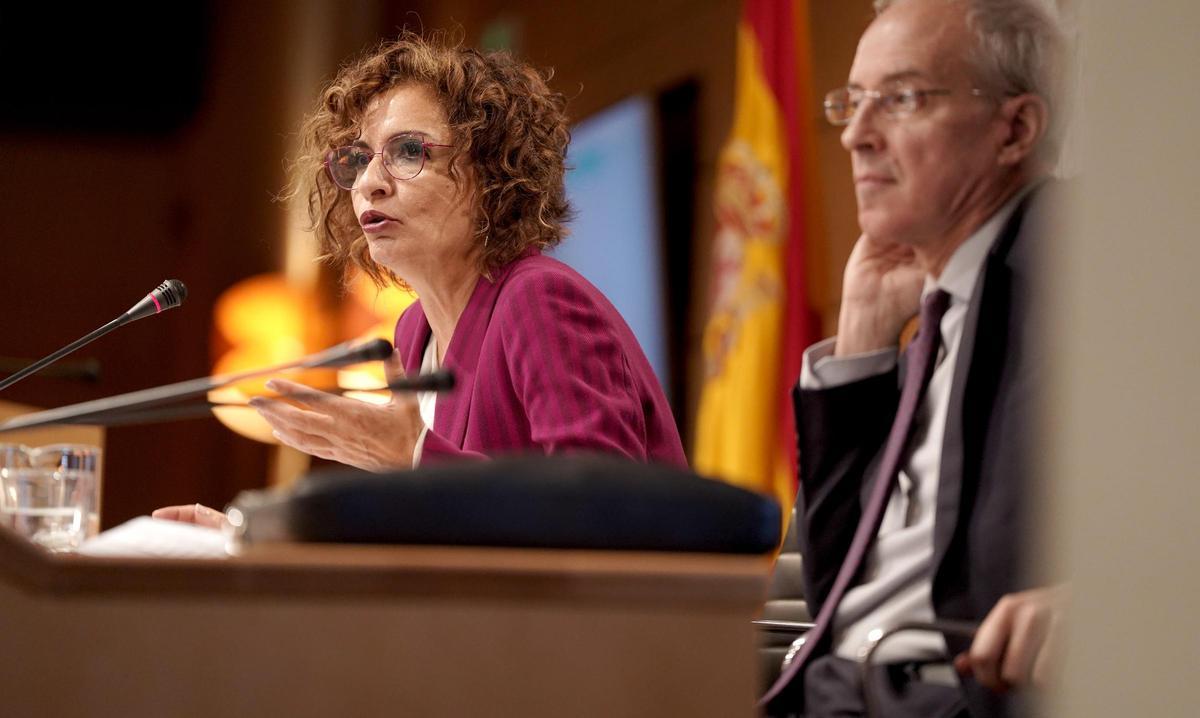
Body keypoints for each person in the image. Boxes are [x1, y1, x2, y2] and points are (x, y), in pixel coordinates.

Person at [156, 33, 686, 527]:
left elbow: (603, 513)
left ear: (490, 170)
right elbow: (438, 534)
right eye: (357, 160)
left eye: (408, 151)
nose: (368, 183)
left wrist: (413, 455)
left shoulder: (538, 297)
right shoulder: (415, 331)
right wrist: (258, 540)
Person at [760, 1, 1069, 716]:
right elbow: (834, 594)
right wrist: (864, 345)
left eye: (901, 99)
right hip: (842, 690)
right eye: (853, 103)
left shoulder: (1082, 269)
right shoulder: (939, 301)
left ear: (1015, 129)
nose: (856, 137)